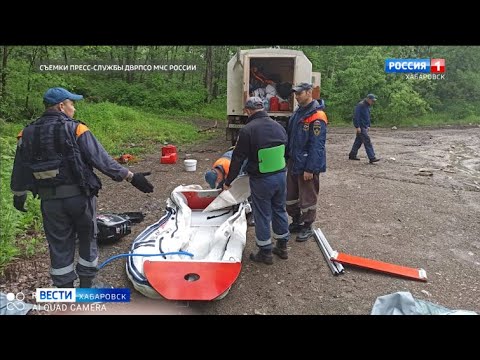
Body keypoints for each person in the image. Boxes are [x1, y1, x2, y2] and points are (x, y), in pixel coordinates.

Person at [10, 87, 154, 289]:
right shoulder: (76, 129)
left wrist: (19, 194)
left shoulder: (26, 133)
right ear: (62, 106)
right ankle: (87, 286)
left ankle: (65, 291)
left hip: (50, 202)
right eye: (72, 104)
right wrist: (131, 177)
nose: (73, 109)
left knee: (59, 244)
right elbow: (102, 160)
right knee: (87, 238)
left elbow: (20, 168)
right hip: (80, 198)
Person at [223, 96, 289, 264]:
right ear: (264, 108)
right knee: (280, 209)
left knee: (262, 214)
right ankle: (282, 247)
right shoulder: (279, 126)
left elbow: (238, 158)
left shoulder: (248, 130)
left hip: (262, 179)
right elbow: (286, 151)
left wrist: (229, 181)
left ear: (248, 111)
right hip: (281, 176)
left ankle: (265, 252)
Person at [285, 83, 328, 242]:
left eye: (299, 93)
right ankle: (297, 221)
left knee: (308, 198)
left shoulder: (317, 116)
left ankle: (308, 226)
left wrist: (310, 168)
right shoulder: (298, 113)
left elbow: (317, 146)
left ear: (309, 93)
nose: (296, 96)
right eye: (295, 94)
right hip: (294, 162)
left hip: (307, 166)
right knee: (291, 196)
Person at [204, 149, 256, 226]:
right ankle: (235, 206)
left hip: (247, 161)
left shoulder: (233, 168)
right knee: (226, 186)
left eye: (217, 181)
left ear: (218, 178)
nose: (217, 183)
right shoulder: (216, 169)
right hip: (234, 159)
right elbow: (222, 181)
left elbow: (238, 185)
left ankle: (253, 214)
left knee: (247, 187)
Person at [348, 94, 380, 163]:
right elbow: (356, 116)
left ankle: (352, 155)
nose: (373, 102)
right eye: (372, 101)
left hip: (364, 126)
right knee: (367, 141)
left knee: (358, 141)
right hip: (361, 126)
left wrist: (368, 125)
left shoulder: (367, 106)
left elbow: (367, 116)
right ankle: (372, 157)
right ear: (368, 99)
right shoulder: (361, 105)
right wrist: (357, 126)